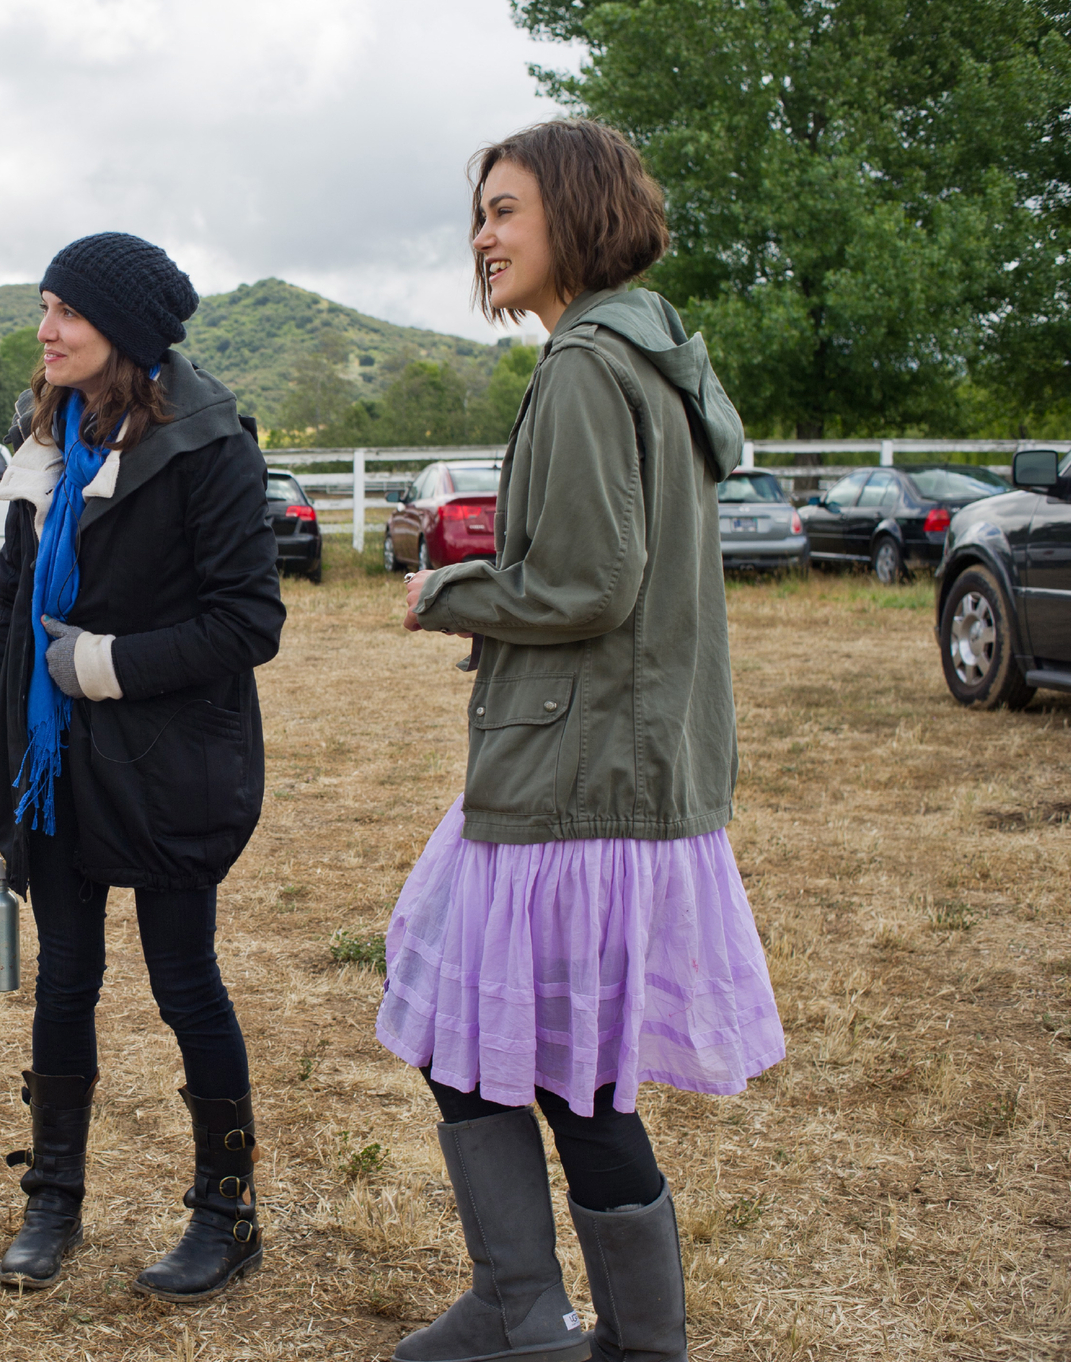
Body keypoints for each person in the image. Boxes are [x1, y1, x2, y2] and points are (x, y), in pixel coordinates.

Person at [380, 120, 785, 1362]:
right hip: (631, 770)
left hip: (574, 777)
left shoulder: (579, 367)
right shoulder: (651, 358)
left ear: (573, 214)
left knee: (491, 1039)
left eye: (504, 211)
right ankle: (600, 1331)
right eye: (478, 217)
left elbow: (587, 585)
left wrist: (442, 592)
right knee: (555, 1061)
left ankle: (529, 1314)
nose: (482, 238)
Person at [0, 232, 285, 1302]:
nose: (45, 331)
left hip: (166, 764)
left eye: (67, 312)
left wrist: (96, 664)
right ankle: (52, 1200)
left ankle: (225, 1213)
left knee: (183, 981)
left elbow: (246, 624)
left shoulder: (207, 443)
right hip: (52, 766)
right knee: (63, 979)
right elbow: (14, 612)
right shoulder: (45, 432)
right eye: (42, 307)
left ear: (127, 335)